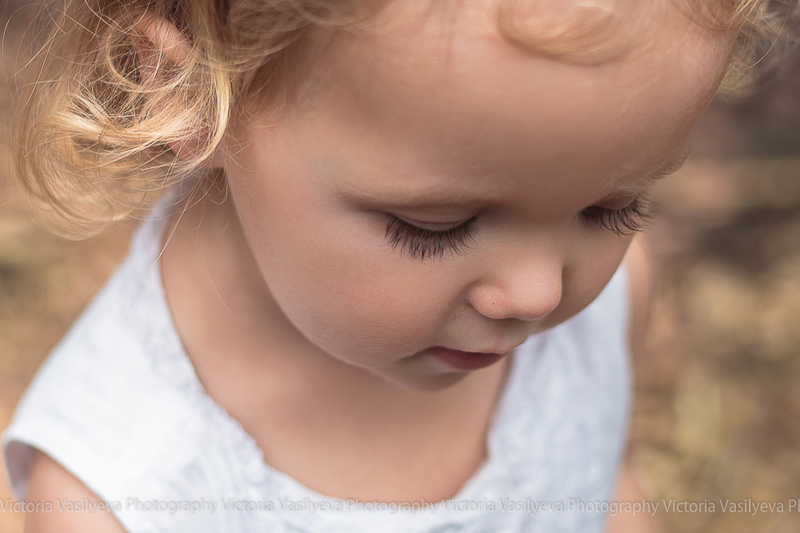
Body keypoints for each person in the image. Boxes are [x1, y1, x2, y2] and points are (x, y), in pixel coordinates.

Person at [0, 0, 777, 531]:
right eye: (435, 225)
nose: (539, 292)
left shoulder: (607, 304)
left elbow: (603, 481)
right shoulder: (118, 493)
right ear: (190, 93)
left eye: (610, 209)